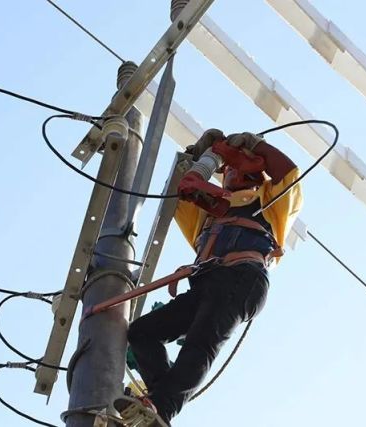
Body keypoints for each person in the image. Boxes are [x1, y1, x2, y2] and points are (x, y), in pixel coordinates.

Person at [121, 128, 303, 426]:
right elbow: (178, 192)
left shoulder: (268, 202)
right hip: (207, 283)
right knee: (143, 332)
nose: (234, 171)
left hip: (242, 278)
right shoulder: (208, 213)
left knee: (200, 342)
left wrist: (258, 146)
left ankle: (162, 408)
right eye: (229, 168)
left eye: (242, 167)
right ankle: (155, 406)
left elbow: (287, 174)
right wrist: (196, 157)